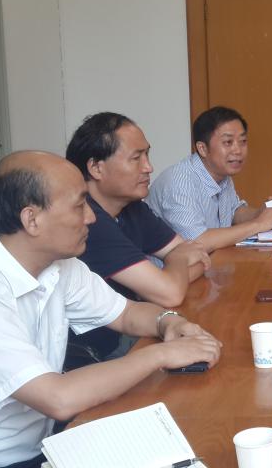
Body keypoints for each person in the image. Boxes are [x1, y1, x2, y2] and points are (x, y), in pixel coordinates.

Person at [0, 151, 222, 468]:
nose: (91, 218)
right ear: (32, 219)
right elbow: (58, 398)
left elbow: (126, 314)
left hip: (46, 441)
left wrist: (169, 322)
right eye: (79, 205)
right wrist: (162, 354)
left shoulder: (57, 264)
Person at [66, 112, 210, 359]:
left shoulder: (131, 206)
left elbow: (199, 259)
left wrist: (162, 282)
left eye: (147, 155)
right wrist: (176, 262)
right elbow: (171, 292)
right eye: (136, 158)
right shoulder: (89, 223)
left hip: (135, 331)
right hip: (98, 356)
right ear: (96, 168)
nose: (148, 167)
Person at [146, 106, 272, 251]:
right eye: (228, 142)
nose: (238, 150)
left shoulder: (221, 173)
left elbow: (233, 212)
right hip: (175, 264)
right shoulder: (179, 183)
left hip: (214, 260)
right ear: (202, 148)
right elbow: (197, 242)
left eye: (243, 141)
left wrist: (260, 214)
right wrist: (258, 224)